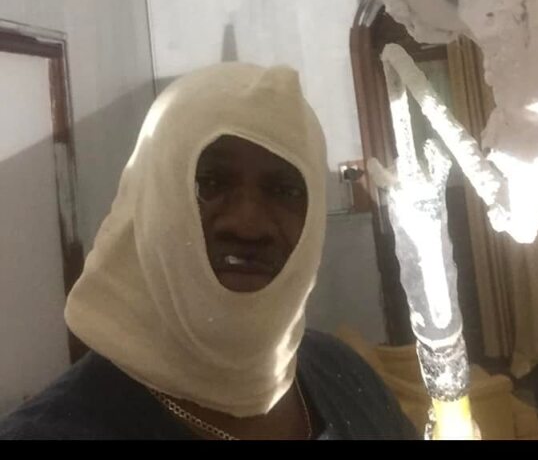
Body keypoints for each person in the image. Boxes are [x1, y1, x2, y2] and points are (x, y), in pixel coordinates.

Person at [0, 63, 417, 440]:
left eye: (284, 190)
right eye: (210, 183)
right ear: (151, 197)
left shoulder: (343, 374)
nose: (248, 225)